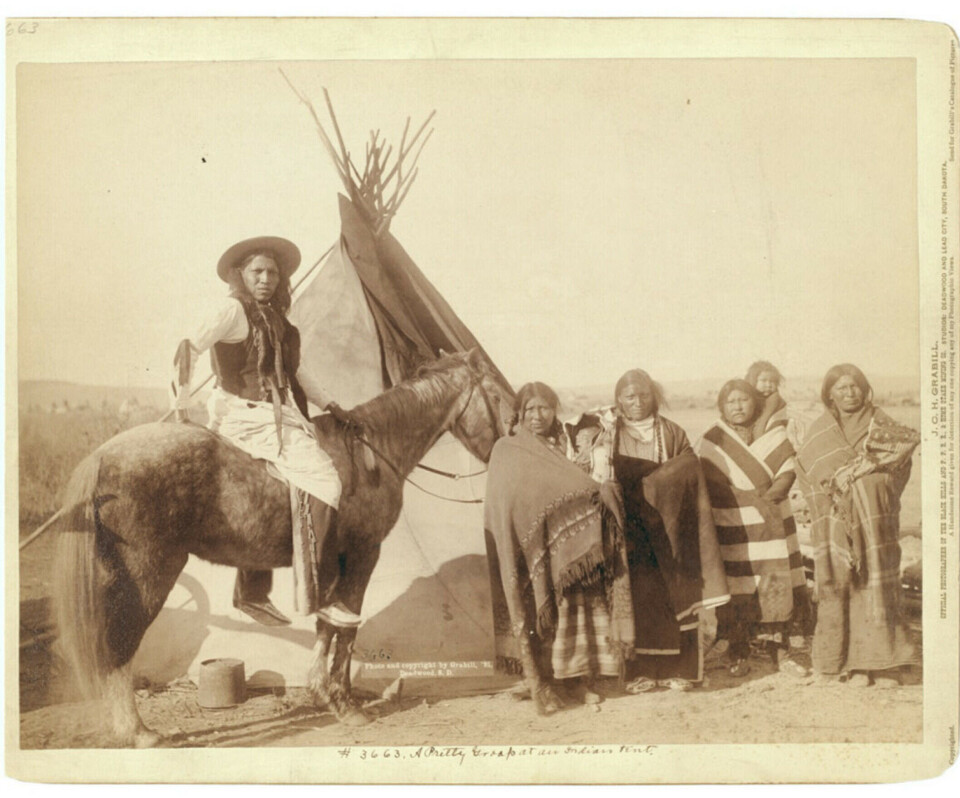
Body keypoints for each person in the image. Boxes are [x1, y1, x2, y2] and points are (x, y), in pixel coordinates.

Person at [172, 235, 360, 630]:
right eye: (257, 271)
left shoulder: (276, 318)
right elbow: (188, 347)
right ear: (240, 274)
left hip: (276, 416)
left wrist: (331, 405)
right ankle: (321, 595)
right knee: (326, 482)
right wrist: (182, 406)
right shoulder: (231, 310)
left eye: (273, 272)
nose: (266, 279)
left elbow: (297, 372)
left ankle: (252, 593)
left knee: (273, 493)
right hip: (244, 416)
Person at [483, 382, 633, 711]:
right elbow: (509, 502)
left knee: (578, 608)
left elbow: (575, 485)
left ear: (554, 411)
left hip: (569, 546)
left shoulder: (564, 444)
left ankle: (579, 681)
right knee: (539, 608)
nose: (538, 416)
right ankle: (541, 682)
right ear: (519, 413)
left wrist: (601, 491)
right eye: (531, 409)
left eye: (545, 408)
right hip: (530, 549)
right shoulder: (507, 449)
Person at [586, 369, 730, 693]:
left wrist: (658, 487)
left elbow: (690, 473)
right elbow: (597, 479)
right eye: (629, 396)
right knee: (639, 598)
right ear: (618, 400)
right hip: (631, 532)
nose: (637, 402)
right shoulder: (608, 435)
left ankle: (679, 670)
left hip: (671, 529)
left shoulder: (672, 432)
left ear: (655, 396)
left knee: (675, 594)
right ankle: (640, 673)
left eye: (644, 395)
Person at [796, 364, 919, 687]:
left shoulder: (883, 425)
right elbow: (807, 473)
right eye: (841, 388)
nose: (849, 393)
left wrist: (866, 486)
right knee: (841, 585)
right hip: (835, 525)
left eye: (854, 387)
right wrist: (839, 495)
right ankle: (842, 664)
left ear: (864, 390)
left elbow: (900, 466)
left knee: (876, 583)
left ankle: (883, 665)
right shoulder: (820, 431)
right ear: (829, 395)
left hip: (875, 521)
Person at [697, 379, 810, 679]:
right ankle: (738, 650)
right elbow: (711, 484)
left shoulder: (775, 435)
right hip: (733, 528)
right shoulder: (712, 441)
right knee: (739, 590)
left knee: (775, 584)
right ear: (721, 406)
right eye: (730, 401)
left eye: (743, 400)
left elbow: (787, 472)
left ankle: (780, 652)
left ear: (755, 403)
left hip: (772, 528)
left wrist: (767, 501)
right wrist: (752, 504)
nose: (737, 406)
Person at [745, 360, 806, 449]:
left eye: (772, 381)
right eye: (764, 380)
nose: (769, 385)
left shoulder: (774, 399)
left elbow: (763, 423)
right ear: (753, 380)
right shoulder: (753, 399)